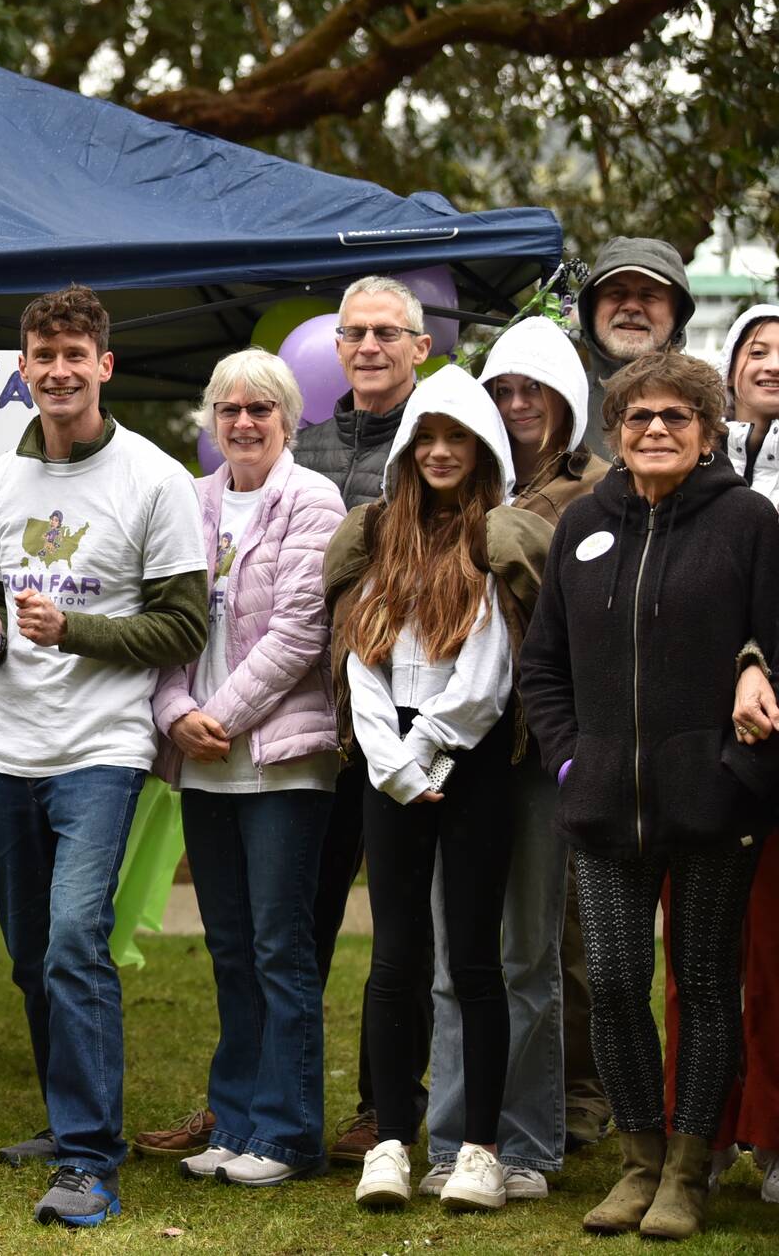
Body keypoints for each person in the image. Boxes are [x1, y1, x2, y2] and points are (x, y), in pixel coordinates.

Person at [0, 286, 208, 1226]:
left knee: (73, 939)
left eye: (74, 355)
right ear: (22, 367)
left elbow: (184, 625)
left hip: (102, 748)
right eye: (42, 355)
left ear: (105, 365)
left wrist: (75, 631)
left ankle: (90, 1158)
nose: (58, 371)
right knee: (31, 952)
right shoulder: (1, 478)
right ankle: (68, 1120)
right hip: (9, 748)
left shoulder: (154, 479)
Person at [519, 350, 779, 1239]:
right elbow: (543, 664)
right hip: (602, 804)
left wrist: (738, 767)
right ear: (616, 431)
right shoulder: (584, 524)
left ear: (707, 434)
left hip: (713, 802)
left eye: (677, 416)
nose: (657, 428)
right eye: (639, 416)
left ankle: (687, 1172)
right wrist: (570, 762)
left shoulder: (749, 522)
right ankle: (637, 1162)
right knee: (619, 982)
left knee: (704, 985)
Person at [328, 364, 550, 1213]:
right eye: (428, 437)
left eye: (458, 436)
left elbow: (488, 676)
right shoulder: (382, 537)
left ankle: (480, 1149)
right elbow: (362, 659)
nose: (441, 451)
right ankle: (390, 1138)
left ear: (483, 448)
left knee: (473, 956)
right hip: (391, 763)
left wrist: (427, 751)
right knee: (394, 957)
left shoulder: (495, 539)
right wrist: (389, 762)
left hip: (471, 759)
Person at [411, 317, 614, 1201]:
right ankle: (454, 1137)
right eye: (503, 388)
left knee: (530, 952)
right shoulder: (458, 480)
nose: (520, 402)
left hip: (541, 747)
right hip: (457, 747)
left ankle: (526, 1142)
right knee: (456, 954)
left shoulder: (598, 490)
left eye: (536, 387)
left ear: (569, 398)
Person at [151, 349, 344, 1187]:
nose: (243, 421)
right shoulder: (188, 502)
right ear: (211, 419)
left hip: (282, 763)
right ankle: (234, 1122)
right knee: (230, 948)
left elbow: (300, 634)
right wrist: (174, 714)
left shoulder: (313, 499)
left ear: (287, 418)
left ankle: (289, 1132)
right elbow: (161, 621)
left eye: (260, 407)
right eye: (228, 408)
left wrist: (217, 716)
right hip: (203, 763)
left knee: (279, 947)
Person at [282, 273, 434, 1167]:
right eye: (355, 333)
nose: (370, 346)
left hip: (410, 719)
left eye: (387, 331)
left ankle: (388, 1106)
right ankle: (277, 1097)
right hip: (309, 721)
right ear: (336, 347)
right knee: (298, 922)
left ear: (421, 346)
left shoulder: (442, 441)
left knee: (405, 928)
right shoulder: (298, 445)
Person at [695, 303, 779, 1203]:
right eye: (757, 348)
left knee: (776, 949)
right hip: (705, 737)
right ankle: (703, 1130)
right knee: (700, 951)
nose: (772, 363)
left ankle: (774, 1134)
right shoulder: (695, 467)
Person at [573, 237, 695, 457]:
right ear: (590, 309)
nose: (631, 307)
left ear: (678, 314)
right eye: (616, 293)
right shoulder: (559, 405)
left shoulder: (702, 407)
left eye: (649, 296)